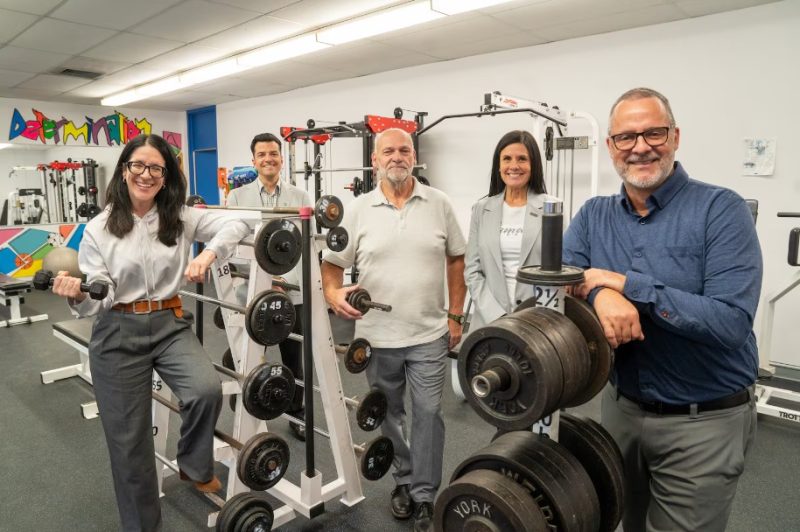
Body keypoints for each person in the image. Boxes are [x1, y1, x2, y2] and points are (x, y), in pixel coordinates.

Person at [563, 88, 762, 532]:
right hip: (619, 409)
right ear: (611, 146)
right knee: (619, 520)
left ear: (674, 136)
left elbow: (730, 323)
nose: (640, 147)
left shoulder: (720, 210)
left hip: (703, 421)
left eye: (653, 133)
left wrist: (628, 285)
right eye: (626, 137)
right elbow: (562, 276)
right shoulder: (594, 215)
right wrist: (601, 294)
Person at [51, 134, 250, 532]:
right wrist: (78, 295)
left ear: (166, 176)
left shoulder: (180, 216)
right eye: (138, 165)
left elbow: (241, 221)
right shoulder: (99, 228)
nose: (146, 174)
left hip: (168, 324)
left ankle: (194, 465)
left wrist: (211, 252)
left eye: (155, 168)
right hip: (117, 331)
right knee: (130, 449)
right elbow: (98, 297)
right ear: (125, 170)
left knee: (205, 388)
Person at [321, 128, 466, 532]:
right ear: (375, 160)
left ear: (414, 156)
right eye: (389, 151)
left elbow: (457, 259)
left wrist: (456, 315)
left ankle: (424, 494)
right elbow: (331, 261)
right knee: (389, 414)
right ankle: (402, 480)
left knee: (430, 412)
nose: (397, 157)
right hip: (376, 336)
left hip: (429, 333)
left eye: (404, 150)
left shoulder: (440, 204)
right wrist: (333, 293)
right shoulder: (357, 208)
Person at [225, 132, 310, 441]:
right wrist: (255, 281)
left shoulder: (300, 197)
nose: (268, 159)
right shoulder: (236, 198)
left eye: (273, 153)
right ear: (254, 161)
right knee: (249, 355)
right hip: (251, 294)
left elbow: (305, 246)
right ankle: (249, 411)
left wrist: (287, 283)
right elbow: (234, 245)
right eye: (262, 154)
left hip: (292, 292)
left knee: (294, 358)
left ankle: (297, 413)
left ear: (281, 159)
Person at [465, 130, 548, 329]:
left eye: (522, 159)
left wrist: (535, 317)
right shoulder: (481, 209)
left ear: (533, 165)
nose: (514, 166)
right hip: (489, 321)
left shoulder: (551, 208)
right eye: (507, 159)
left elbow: (557, 271)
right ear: (498, 165)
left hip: (536, 322)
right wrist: (498, 315)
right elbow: (472, 271)